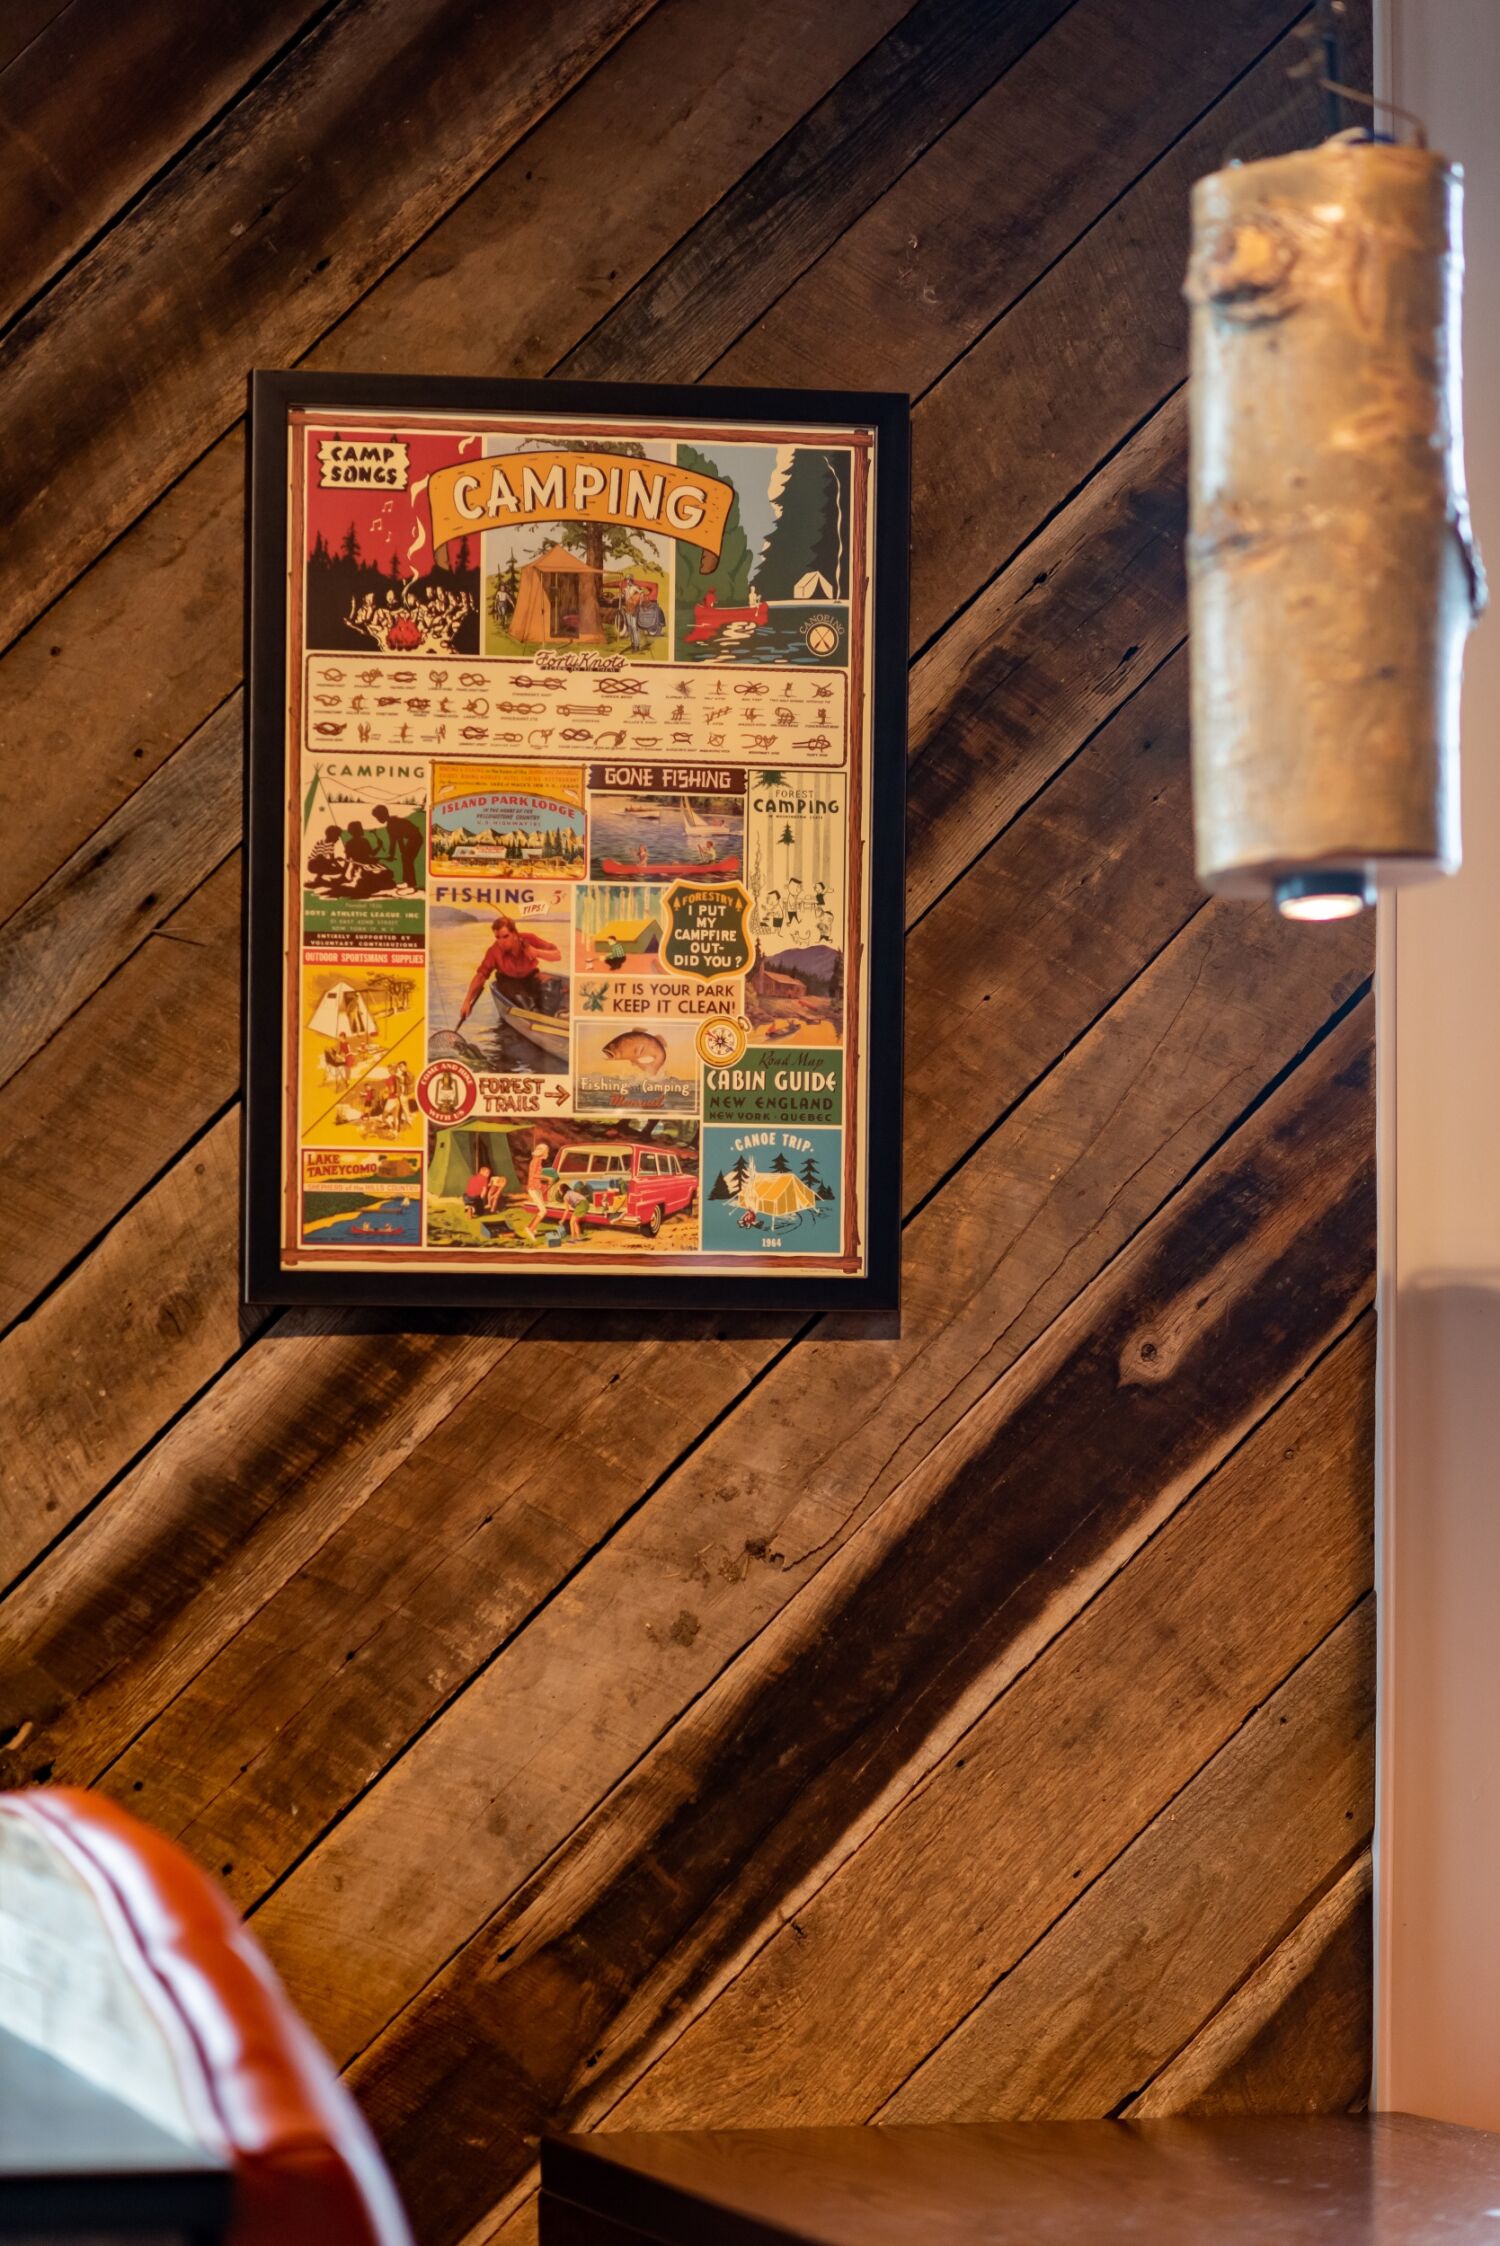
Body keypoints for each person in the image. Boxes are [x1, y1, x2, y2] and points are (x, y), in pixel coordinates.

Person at [456, 914, 562, 1028]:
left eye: (505, 936)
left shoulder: (529, 939)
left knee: (551, 984)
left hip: (530, 977)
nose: (501, 942)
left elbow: (557, 955)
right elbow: (481, 976)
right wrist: (467, 1001)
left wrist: (537, 952)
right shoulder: (494, 951)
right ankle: (537, 1017)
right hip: (508, 982)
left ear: (515, 934)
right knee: (520, 998)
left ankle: (547, 1019)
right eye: (497, 937)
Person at [373, 803, 423, 890]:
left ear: (382, 815)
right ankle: (408, 882)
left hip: (416, 838)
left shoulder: (391, 825)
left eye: (377, 817)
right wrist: (399, 853)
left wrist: (391, 855)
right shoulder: (392, 822)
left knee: (407, 859)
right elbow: (398, 839)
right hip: (414, 838)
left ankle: (410, 883)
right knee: (406, 858)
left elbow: (394, 842)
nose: (377, 819)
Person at [307, 824, 346, 889]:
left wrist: (340, 868)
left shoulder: (331, 844)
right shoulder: (321, 842)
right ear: (332, 836)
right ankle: (318, 880)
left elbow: (332, 859)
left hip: (321, 863)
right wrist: (335, 863)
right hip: (313, 864)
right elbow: (319, 858)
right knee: (324, 862)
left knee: (337, 868)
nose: (338, 839)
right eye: (337, 836)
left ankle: (318, 879)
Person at [525, 1138, 552, 1230]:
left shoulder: (538, 1160)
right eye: (546, 1151)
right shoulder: (536, 1160)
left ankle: (530, 1227)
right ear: (542, 1152)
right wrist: (547, 1177)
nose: (547, 1153)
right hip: (533, 1188)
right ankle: (531, 1230)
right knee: (543, 1211)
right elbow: (533, 1175)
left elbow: (537, 1174)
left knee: (541, 1209)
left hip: (536, 1188)